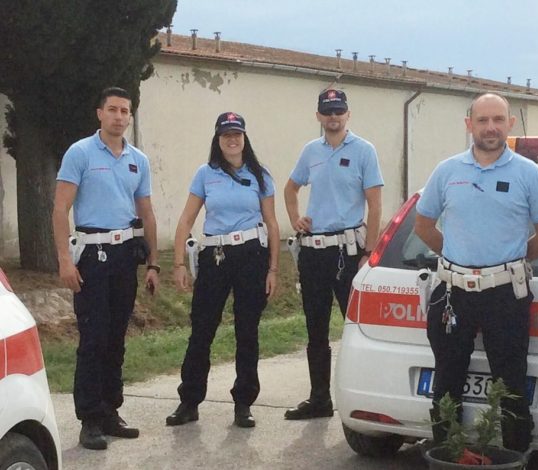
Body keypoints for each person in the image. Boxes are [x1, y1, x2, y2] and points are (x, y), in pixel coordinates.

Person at [414, 92, 538, 453]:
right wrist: (455, 254)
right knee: (446, 385)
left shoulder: (528, 174)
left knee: (509, 387)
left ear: (510, 124)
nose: (491, 127)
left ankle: (513, 458)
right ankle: (449, 456)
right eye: (482, 120)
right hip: (453, 291)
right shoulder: (447, 171)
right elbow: (423, 224)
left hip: (505, 294)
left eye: (498, 120)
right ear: (469, 125)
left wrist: (510, 262)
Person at [52, 86, 160, 450]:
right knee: (93, 338)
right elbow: (59, 209)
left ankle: (111, 411)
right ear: (100, 113)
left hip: (124, 255)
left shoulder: (138, 159)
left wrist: (153, 263)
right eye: (112, 109)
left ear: (130, 116)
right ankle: (90, 418)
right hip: (91, 258)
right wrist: (65, 260)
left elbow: (145, 211)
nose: (118, 116)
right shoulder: (80, 153)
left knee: (116, 338)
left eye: (124, 111)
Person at [165, 112, 279, 429]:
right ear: (218, 139)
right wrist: (178, 263)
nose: (232, 139)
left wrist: (273, 269)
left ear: (245, 138)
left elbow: (271, 224)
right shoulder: (206, 174)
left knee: (247, 331)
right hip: (214, 256)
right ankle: (189, 401)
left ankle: (243, 403)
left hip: (250, 256)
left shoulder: (260, 174)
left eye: (237, 134)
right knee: (202, 330)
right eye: (226, 134)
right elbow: (186, 220)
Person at [283, 89, 383, 420]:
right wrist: (296, 217)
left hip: (348, 252)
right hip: (314, 252)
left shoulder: (364, 151)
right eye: (327, 112)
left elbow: (375, 203)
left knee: (356, 327)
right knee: (316, 329)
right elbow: (291, 188)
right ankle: (319, 399)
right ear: (318, 116)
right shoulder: (311, 151)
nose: (333, 117)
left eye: (338, 111)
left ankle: (369, 400)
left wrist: (369, 252)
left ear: (348, 114)